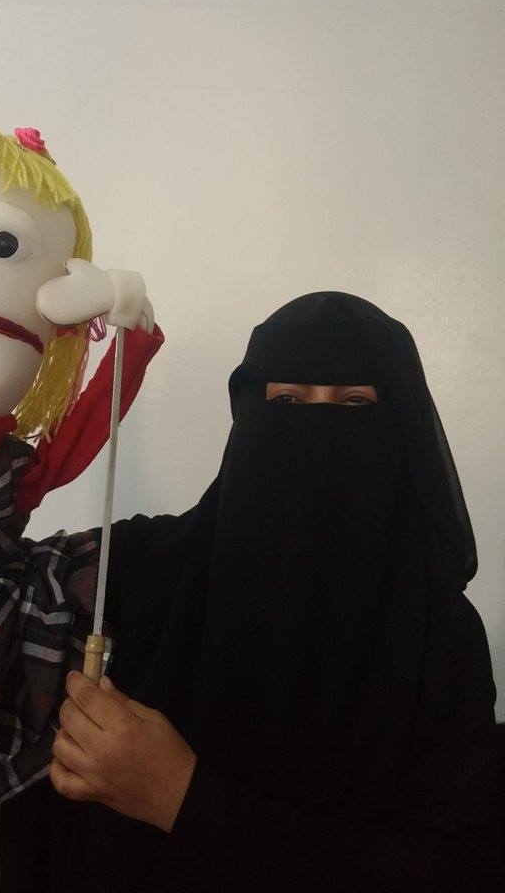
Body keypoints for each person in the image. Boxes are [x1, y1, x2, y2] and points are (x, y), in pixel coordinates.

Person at [49, 291, 505, 892]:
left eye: (354, 403)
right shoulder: (143, 563)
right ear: (247, 416)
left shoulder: (442, 635)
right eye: (287, 400)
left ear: (400, 429)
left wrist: (181, 797)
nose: (317, 427)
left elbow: (456, 868)